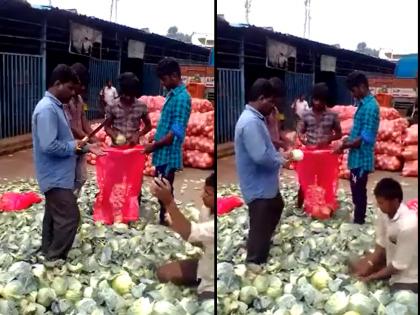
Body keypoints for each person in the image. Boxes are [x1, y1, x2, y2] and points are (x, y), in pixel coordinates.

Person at [32, 64, 103, 267]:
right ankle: (55, 258)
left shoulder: (56, 106)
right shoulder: (47, 110)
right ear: (57, 84)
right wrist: (75, 145)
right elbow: (49, 145)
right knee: (70, 217)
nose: (73, 93)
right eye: (70, 88)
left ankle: (47, 249)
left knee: (54, 214)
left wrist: (86, 147)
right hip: (53, 176)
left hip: (60, 173)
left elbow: (63, 139)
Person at [234, 78, 284, 265]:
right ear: (261, 98)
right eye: (270, 101)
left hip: (265, 183)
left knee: (277, 206)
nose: (273, 106)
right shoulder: (250, 123)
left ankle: (263, 242)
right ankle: (255, 261)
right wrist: (282, 160)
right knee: (260, 221)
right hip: (258, 185)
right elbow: (261, 156)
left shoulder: (256, 119)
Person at [143, 58, 191, 225]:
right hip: (162, 150)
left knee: (165, 187)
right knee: (161, 185)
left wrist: (154, 145)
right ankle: (164, 216)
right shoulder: (172, 95)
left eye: (164, 79)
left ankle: (167, 217)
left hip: (168, 153)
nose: (163, 84)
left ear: (174, 76)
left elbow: (176, 131)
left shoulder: (182, 98)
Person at [151, 173, 214, 301]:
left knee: (206, 304)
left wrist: (168, 202)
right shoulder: (205, 210)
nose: (202, 196)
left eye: (208, 193)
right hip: (206, 263)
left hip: (214, 274)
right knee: (163, 273)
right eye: (204, 191)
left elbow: (189, 232)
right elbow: (199, 239)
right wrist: (176, 225)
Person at [350, 178, 418, 293]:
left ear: (395, 201)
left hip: (409, 275)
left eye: (381, 202)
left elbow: (398, 266)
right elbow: (381, 244)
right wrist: (369, 265)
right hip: (391, 261)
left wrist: (372, 277)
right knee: (356, 263)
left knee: (398, 297)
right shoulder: (384, 212)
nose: (378, 205)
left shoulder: (408, 225)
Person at [335, 71, 380, 224]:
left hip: (361, 159)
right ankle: (358, 218)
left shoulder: (370, 107)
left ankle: (359, 221)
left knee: (359, 190)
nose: (353, 95)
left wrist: (343, 145)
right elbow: (359, 132)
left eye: (353, 91)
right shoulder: (363, 105)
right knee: (356, 189)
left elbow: (366, 137)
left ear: (361, 87)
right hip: (356, 158)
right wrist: (348, 139)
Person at [297, 83, 342, 208]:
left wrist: (329, 138)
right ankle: (300, 205)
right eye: (315, 99)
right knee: (305, 181)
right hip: (309, 154)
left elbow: (339, 133)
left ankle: (325, 206)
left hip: (325, 155)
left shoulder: (332, 115)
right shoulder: (306, 114)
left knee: (325, 182)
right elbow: (300, 130)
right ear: (312, 99)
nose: (317, 103)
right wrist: (302, 138)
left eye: (321, 100)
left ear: (325, 100)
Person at [63, 63, 96, 197]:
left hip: (81, 146)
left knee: (81, 178)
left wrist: (94, 138)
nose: (83, 88)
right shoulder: (65, 100)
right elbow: (71, 126)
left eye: (84, 85)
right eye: (80, 84)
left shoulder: (80, 99)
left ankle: (72, 200)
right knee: (68, 180)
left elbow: (84, 121)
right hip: (69, 145)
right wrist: (88, 141)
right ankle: (67, 204)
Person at [104, 73, 152, 146]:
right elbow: (107, 127)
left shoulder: (141, 106)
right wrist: (114, 136)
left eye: (131, 95)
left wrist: (138, 135)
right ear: (121, 91)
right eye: (126, 95)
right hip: (116, 147)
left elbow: (148, 126)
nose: (128, 98)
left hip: (133, 147)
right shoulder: (112, 105)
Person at [265, 77, 293, 151]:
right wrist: (282, 144)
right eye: (280, 98)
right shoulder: (264, 114)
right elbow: (264, 137)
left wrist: (288, 140)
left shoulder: (276, 111)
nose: (282, 100)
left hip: (275, 151)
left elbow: (279, 129)